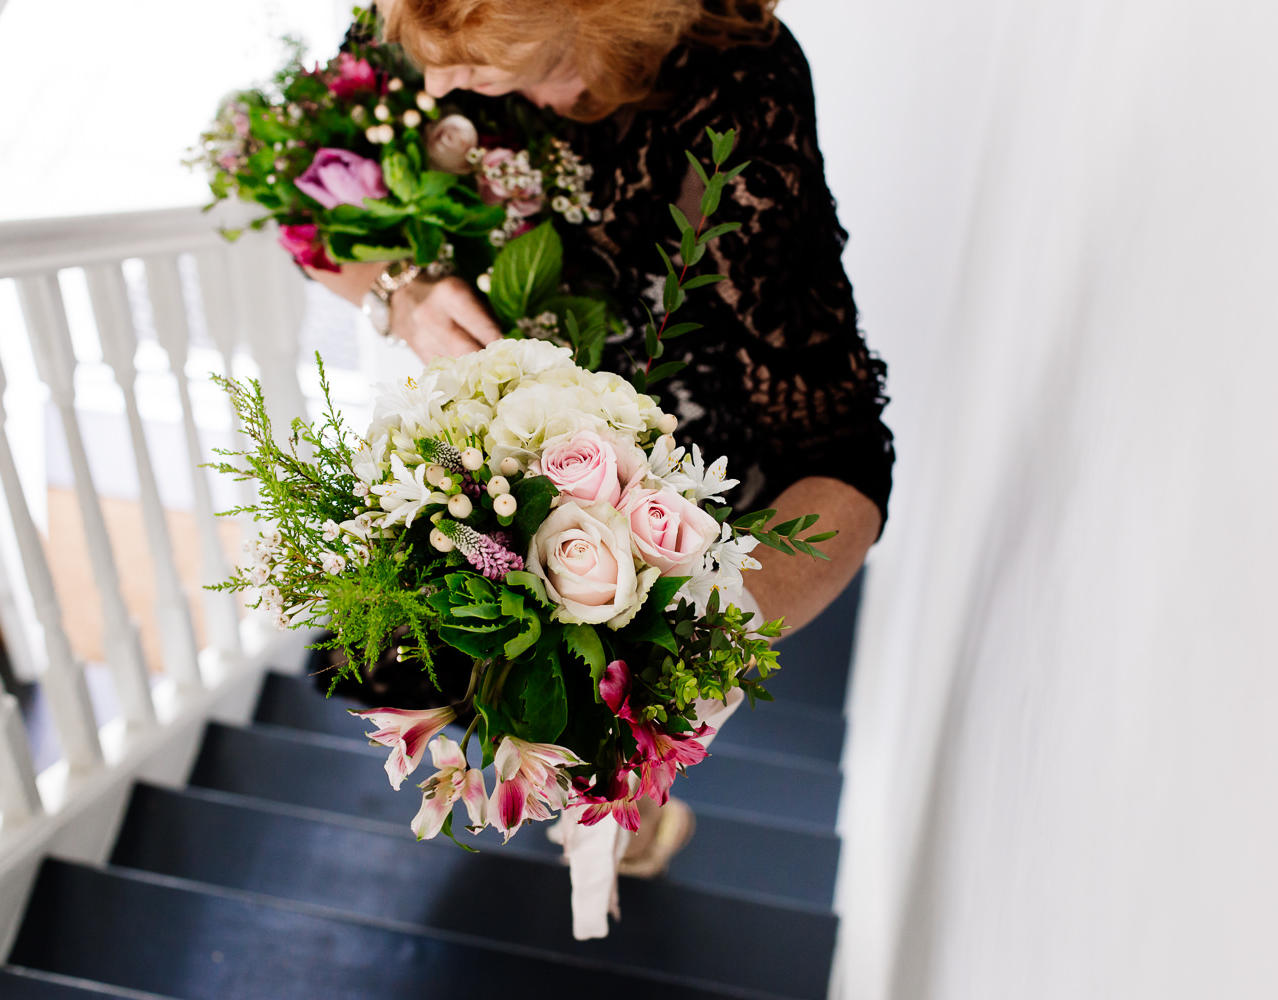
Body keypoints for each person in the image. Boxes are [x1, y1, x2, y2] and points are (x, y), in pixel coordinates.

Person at [310, 0, 894, 875]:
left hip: (664, 486)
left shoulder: (737, 90)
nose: (430, 89)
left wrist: (682, 655)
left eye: (469, 67)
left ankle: (641, 821)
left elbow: (840, 453)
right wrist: (396, 286)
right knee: (424, 666)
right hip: (484, 466)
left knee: (604, 752)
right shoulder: (420, 19)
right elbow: (301, 209)